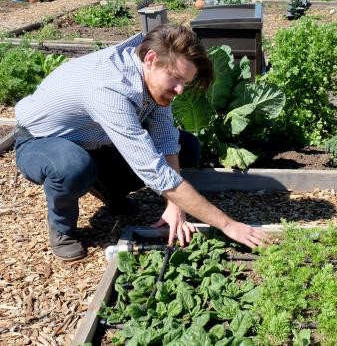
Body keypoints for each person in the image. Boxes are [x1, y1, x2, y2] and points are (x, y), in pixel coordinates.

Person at [13, 24, 269, 261]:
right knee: (72, 166)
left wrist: (175, 204)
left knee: (186, 146)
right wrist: (228, 225)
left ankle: (110, 191)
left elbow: (167, 140)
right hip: (40, 142)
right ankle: (62, 230)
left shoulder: (152, 82)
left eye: (185, 83)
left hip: (95, 142)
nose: (180, 90)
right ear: (151, 59)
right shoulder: (108, 87)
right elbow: (153, 170)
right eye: (176, 78)